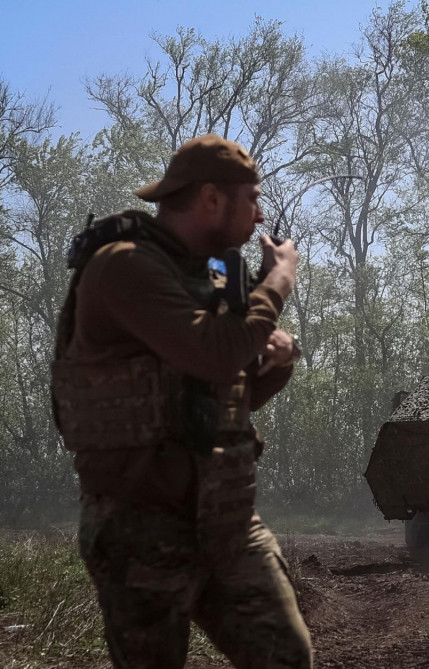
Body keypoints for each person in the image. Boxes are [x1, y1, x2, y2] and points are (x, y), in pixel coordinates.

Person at [50, 134, 313, 668]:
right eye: (252, 198)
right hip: (141, 528)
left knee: (286, 656)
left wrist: (273, 363)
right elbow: (215, 354)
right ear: (212, 198)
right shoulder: (124, 266)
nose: (260, 215)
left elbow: (222, 394)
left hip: (225, 521)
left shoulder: (212, 278)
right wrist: (279, 280)